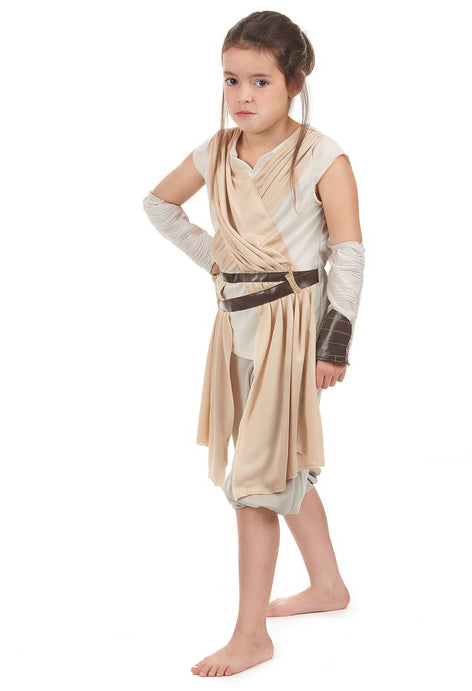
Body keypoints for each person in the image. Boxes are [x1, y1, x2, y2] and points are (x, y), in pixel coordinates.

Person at [142, 10, 365, 678]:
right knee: (279, 463)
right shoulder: (216, 151)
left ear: (295, 80)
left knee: (257, 480)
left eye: (260, 81)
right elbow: (159, 206)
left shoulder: (323, 157)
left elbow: (348, 257)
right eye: (231, 80)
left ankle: (250, 636)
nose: (242, 95)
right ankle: (328, 586)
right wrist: (220, 258)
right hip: (234, 327)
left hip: (294, 332)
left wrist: (334, 345)